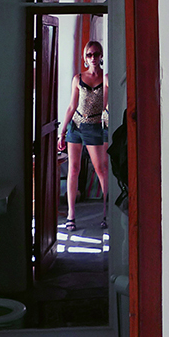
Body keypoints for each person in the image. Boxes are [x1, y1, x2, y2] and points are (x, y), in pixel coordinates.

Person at [58, 40, 109, 231]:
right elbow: (72, 106)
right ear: (84, 58)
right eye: (89, 54)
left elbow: (107, 105)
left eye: (96, 54)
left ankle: (106, 213)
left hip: (94, 127)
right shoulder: (78, 78)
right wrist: (62, 131)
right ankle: (71, 214)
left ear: (101, 56)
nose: (93, 58)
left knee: (101, 170)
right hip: (76, 126)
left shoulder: (106, 78)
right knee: (73, 169)